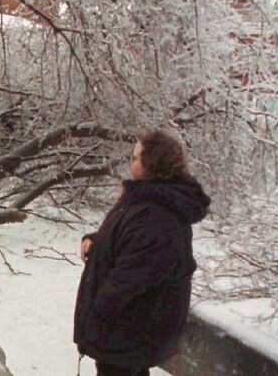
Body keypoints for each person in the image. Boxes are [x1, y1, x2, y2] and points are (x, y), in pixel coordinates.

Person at [73, 129, 211, 376]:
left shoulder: (158, 215)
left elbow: (132, 278)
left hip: (128, 330)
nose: (131, 162)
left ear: (152, 164)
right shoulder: (145, 200)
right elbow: (129, 239)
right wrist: (96, 241)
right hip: (126, 331)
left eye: (135, 157)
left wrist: (98, 310)